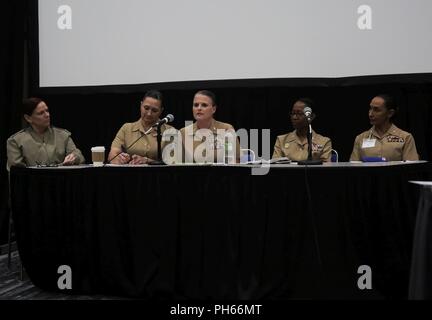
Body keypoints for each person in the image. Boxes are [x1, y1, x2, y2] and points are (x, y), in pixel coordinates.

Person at [7, 98, 85, 170]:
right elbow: (16, 171)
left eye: (47, 111)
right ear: (28, 118)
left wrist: (74, 158)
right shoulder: (16, 141)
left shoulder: (62, 135)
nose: (47, 115)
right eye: (41, 113)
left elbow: (79, 156)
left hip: (61, 181)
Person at [108, 90, 174, 164]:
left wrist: (148, 161)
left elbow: (174, 161)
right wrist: (120, 159)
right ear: (141, 105)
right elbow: (112, 155)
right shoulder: (126, 129)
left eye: (154, 110)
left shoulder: (170, 131)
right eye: (146, 108)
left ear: (161, 111)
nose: (149, 113)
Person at [350, 94, 419, 161]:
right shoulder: (360, 138)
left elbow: (411, 168)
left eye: (376, 110)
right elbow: (354, 168)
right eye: (370, 108)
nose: (370, 114)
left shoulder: (406, 138)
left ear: (390, 113)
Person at [179, 90, 240, 163]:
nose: (199, 108)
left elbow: (237, 159)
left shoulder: (226, 129)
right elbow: (178, 164)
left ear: (213, 109)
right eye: (196, 105)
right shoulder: (183, 132)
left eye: (204, 105)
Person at [272, 98, 332, 162]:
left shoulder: (324, 142)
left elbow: (326, 168)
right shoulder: (281, 140)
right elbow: (275, 165)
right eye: (293, 113)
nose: (294, 117)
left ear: (311, 117)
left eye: (299, 113)